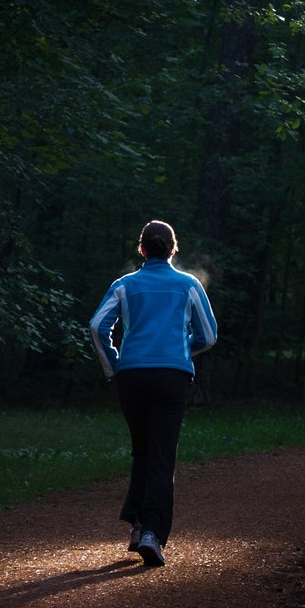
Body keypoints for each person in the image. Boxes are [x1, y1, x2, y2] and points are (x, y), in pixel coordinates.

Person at [88, 220, 216, 567]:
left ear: (142, 249)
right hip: (172, 376)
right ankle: (151, 534)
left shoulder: (125, 285)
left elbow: (98, 326)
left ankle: (139, 523)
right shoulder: (188, 285)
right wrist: (180, 351)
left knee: (143, 450)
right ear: (173, 250)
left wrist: (113, 365)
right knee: (161, 455)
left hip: (131, 376)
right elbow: (208, 335)